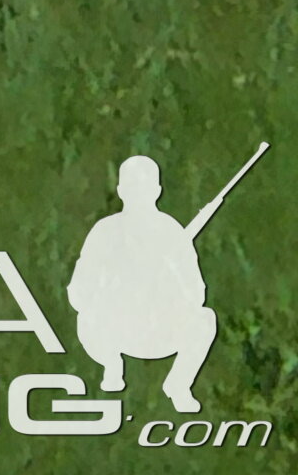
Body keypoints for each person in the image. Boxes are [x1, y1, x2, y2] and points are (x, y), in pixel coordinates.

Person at [74, 155, 219, 414]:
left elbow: (197, 294)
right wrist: (111, 289)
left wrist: (169, 279)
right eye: (132, 187)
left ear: (157, 191)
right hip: (114, 331)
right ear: (120, 191)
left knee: (205, 320)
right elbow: (79, 292)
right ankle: (111, 365)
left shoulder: (172, 233)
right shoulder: (105, 232)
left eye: (144, 187)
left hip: (160, 331)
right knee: (86, 318)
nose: (138, 194)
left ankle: (179, 384)